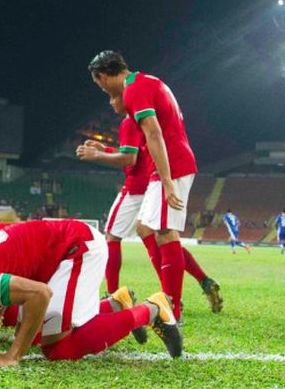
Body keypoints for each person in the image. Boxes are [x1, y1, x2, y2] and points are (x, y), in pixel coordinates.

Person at [0, 220, 181, 368]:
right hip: (53, 251)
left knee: (58, 349)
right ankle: (115, 304)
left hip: (75, 248)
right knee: (30, 330)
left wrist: (12, 355)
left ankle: (152, 309)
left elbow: (39, 294)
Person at [88, 51, 197, 321]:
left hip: (171, 166)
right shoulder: (147, 82)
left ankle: (172, 308)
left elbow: (154, 133)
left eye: (99, 84)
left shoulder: (134, 90)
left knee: (165, 231)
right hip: (167, 166)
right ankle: (170, 300)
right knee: (147, 227)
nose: (103, 90)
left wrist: (168, 181)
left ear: (102, 77)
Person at [77, 116, 222, 313]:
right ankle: (201, 282)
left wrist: (98, 155)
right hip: (154, 180)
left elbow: (130, 158)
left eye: (114, 97)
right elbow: (137, 151)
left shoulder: (131, 119)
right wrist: (107, 150)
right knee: (160, 236)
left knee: (112, 235)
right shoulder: (149, 118)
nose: (112, 102)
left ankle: (113, 297)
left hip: (137, 184)